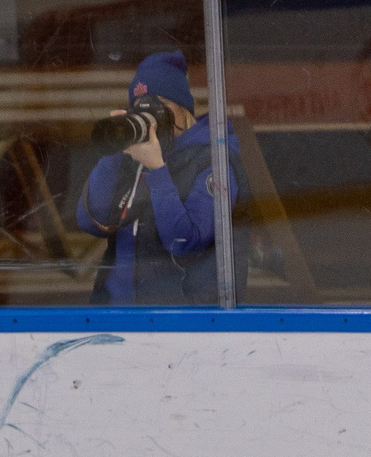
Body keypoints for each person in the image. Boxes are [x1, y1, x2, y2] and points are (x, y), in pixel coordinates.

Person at [75, 48, 247, 305]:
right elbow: (89, 221)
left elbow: (186, 242)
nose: (151, 121)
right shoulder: (134, 156)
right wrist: (115, 146)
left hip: (177, 325)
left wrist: (157, 170)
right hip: (114, 317)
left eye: (159, 109)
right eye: (141, 111)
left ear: (183, 108)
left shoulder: (214, 161)